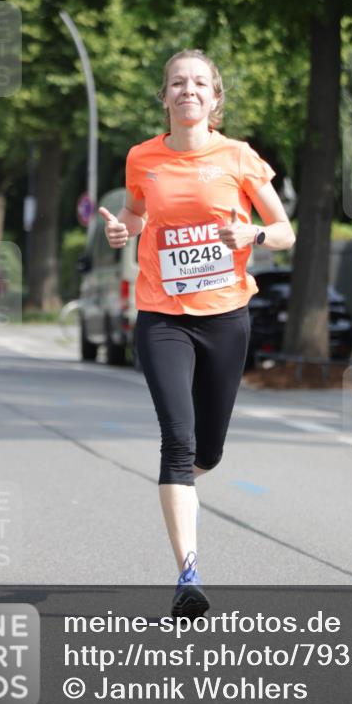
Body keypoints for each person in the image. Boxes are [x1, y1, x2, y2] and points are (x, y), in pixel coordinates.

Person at [99, 49, 295, 618]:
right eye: (177, 83)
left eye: (199, 83)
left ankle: (177, 486)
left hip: (226, 315)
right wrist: (123, 231)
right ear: (164, 97)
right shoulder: (143, 158)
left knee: (208, 449)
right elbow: (138, 216)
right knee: (178, 442)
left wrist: (252, 236)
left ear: (215, 98)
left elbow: (284, 230)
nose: (188, 90)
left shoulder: (238, 156)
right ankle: (188, 575)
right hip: (162, 314)